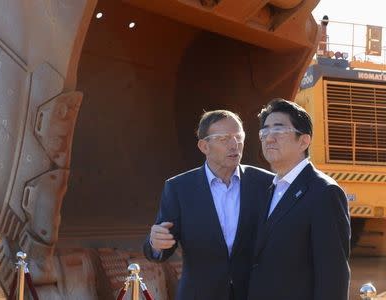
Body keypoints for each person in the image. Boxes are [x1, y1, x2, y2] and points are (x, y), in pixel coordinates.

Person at [143, 110, 273, 300]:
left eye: (239, 137)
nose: (234, 144)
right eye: (224, 139)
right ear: (204, 146)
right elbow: (162, 246)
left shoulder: (266, 184)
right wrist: (156, 243)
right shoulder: (179, 188)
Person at [248, 99, 350, 300]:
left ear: (304, 141)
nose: (269, 139)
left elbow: (333, 273)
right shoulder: (268, 189)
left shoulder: (324, 192)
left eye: (278, 131)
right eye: (264, 132)